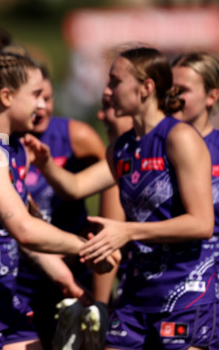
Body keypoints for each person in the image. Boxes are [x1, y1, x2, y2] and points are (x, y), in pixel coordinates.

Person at [25, 46, 216, 349]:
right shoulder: (120, 149)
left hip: (186, 292)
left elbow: (202, 223)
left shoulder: (180, 138)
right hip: (136, 295)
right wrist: (44, 162)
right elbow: (74, 187)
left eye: (115, 81)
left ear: (146, 88)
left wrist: (127, 231)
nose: (107, 90)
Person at [0, 51, 118, 350]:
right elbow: (24, 228)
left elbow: (22, 230)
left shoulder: (12, 148)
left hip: (0, 294)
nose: (43, 104)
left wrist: (66, 279)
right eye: (36, 94)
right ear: (7, 96)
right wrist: (89, 247)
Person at [20, 64, 122, 349]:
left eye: (48, 98)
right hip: (22, 277)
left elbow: (113, 179)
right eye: (34, 98)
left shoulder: (75, 135)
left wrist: (105, 230)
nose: (41, 107)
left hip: (76, 270)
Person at [171, 51, 219, 349]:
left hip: (206, 288)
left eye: (183, 91)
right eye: (169, 91)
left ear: (211, 96)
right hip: (158, 285)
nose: (173, 99)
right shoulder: (154, 145)